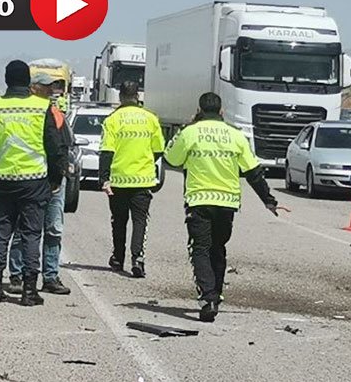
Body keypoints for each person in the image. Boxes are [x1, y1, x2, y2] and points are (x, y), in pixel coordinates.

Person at [165, 92, 288, 323]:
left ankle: (208, 298)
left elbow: (171, 158)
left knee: (200, 249)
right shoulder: (235, 134)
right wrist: (268, 200)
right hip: (227, 203)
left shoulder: (190, 132)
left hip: (200, 200)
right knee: (218, 248)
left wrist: (189, 129)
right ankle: (216, 294)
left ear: (199, 110)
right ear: (222, 111)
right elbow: (253, 171)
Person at [0, 60, 67, 307]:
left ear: (6, 80)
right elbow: (55, 147)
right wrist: (55, 178)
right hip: (35, 181)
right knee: (31, 235)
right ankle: (28, 291)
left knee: (1, 234)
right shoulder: (42, 107)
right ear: (27, 81)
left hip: (2, 181)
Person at [8, 63, 72, 296]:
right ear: (33, 87)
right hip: (31, 179)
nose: (50, 90)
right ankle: (17, 275)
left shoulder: (56, 113)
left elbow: (63, 145)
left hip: (54, 180)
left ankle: (50, 276)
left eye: (52, 86)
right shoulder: (24, 111)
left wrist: (61, 174)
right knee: (23, 229)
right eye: (46, 86)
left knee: (53, 229)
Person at [99, 80, 164, 278]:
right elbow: (159, 149)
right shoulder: (150, 118)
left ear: (120, 96)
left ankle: (118, 258)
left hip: (119, 179)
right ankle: (138, 258)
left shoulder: (112, 119)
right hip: (143, 179)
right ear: (137, 96)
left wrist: (104, 179)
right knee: (140, 220)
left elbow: (107, 151)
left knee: (119, 221)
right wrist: (145, 162)